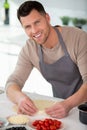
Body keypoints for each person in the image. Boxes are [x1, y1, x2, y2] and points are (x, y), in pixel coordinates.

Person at [5, 0, 87, 119]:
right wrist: (20, 98)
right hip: (60, 110)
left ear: (47, 18)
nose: (34, 31)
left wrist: (68, 104)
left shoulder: (78, 38)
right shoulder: (30, 49)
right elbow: (12, 82)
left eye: (37, 22)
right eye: (27, 26)